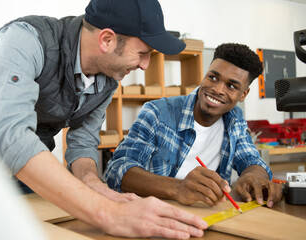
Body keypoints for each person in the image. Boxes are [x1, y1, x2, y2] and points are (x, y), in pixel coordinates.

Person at [0, 0, 208, 238]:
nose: (145, 65)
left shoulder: (108, 78)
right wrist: (108, 213)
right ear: (107, 39)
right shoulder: (24, 40)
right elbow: (10, 136)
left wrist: (94, 185)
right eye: (142, 52)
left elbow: (83, 141)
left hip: (22, 179)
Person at [105, 43, 283, 208]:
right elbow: (117, 170)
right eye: (213, 77)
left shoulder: (234, 119)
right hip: (155, 215)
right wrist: (178, 188)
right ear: (205, 75)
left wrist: (253, 177)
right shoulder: (157, 113)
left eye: (231, 86)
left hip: (206, 217)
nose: (218, 89)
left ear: (243, 94)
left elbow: (251, 160)